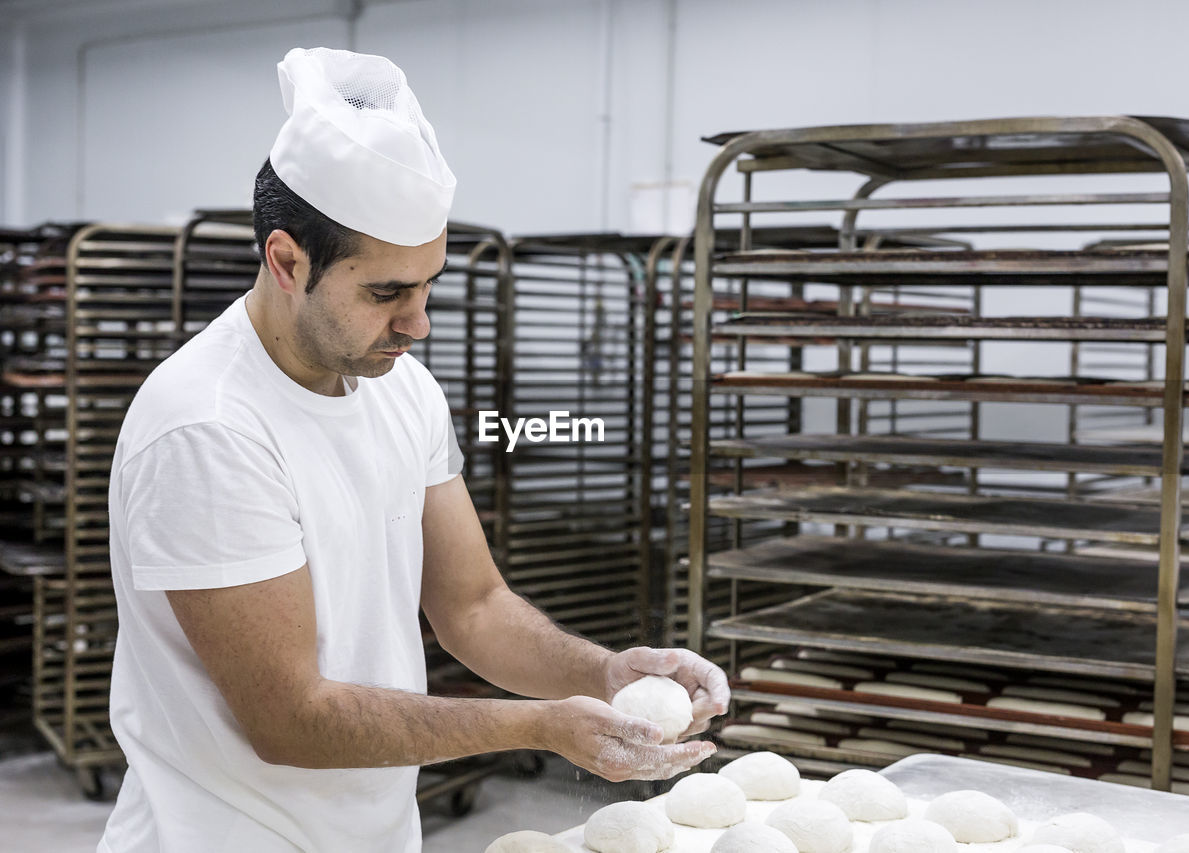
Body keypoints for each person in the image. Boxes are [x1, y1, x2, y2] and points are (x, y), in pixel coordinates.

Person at [98, 47, 727, 853]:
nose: (417, 323)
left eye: (427, 285)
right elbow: (291, 718)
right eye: (385, 292)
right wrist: (539, 726)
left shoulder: (402, 387)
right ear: (286, 262)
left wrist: (603, 674)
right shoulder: (208, 428)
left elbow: (473, 606)